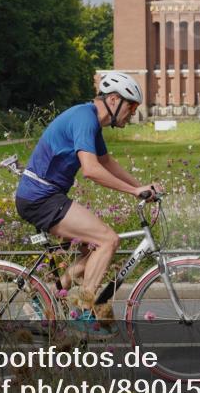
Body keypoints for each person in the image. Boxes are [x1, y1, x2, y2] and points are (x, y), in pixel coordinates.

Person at [14, 71, 161, 335]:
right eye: (132, 106)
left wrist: (141, 186)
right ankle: (83, 311)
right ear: (114, 100)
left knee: (93, 251)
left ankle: (41, 301)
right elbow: (91, 170)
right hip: (40, 197)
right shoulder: (85, 118)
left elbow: (106, 162)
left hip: (46, 196)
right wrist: (133, 191)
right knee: (108, 240)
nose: (133, 113)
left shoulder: (90, 119)